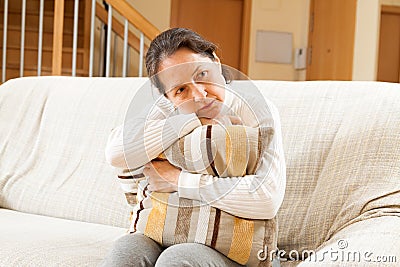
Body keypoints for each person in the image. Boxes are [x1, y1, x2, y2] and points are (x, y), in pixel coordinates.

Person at [102, 28, 286, 267]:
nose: (199, 95)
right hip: (164, 234)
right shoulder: (167, 109)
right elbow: (116, 151)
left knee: (177, 259)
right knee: (127, 250)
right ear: (167, 97)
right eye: (181, 90)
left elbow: (267, 198)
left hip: (233, 250)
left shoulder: (255, 109)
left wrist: (178, 181)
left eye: (202, 74)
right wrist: (194, 120)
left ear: (217, 63)